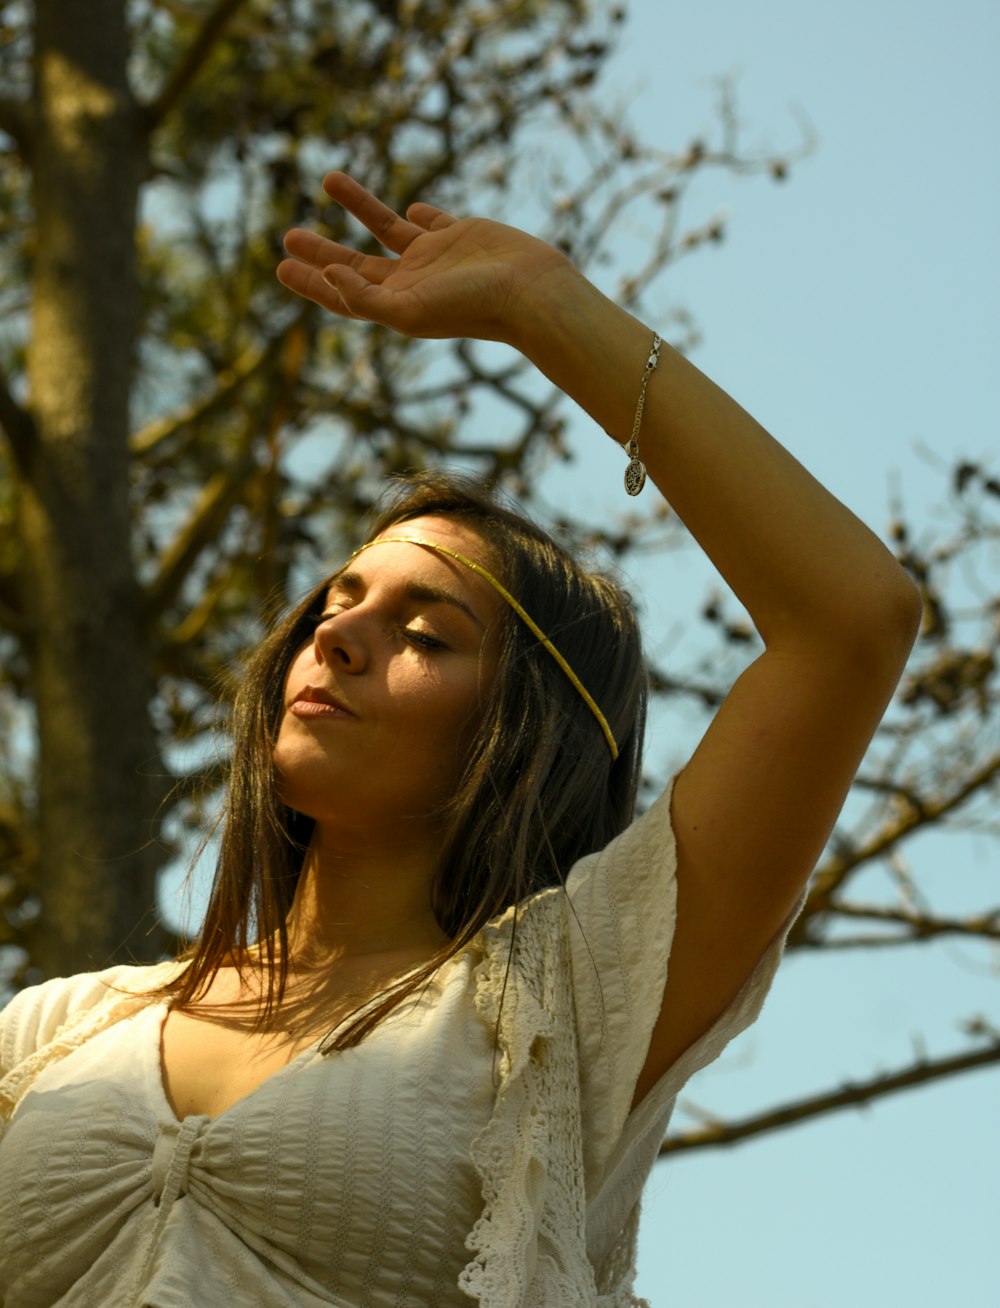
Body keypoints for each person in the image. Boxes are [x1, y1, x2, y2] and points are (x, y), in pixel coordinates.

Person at [0, 173, 921, 1307]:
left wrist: (546, 305)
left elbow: (851, 622)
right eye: (337, 602)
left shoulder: (576, 997)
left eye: (424, 633)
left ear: (528, 728)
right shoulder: (56, 1029)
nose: (338, 637)